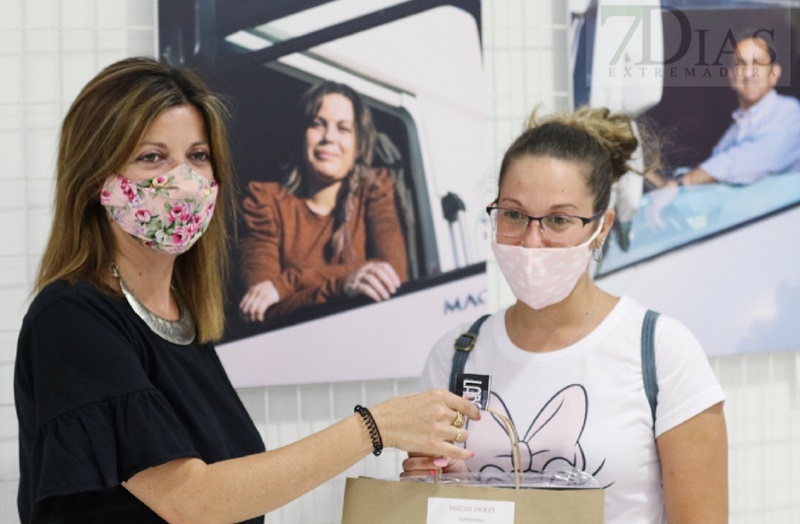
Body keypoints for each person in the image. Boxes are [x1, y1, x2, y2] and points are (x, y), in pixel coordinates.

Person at [13, 57, 480, 524]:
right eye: (152, 157)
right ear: (97, 179)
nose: (184, 181)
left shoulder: (183, 320)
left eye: (197, 156)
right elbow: (193, 500)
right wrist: (373, 429)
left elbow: (234, 490)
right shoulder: (71, 320)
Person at [402, 106, 729, 523]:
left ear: (602, 226)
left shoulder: (661, 351)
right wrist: (432, 491)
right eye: (514, 214)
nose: (532, 241)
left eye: (558, 220)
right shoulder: (455, 356)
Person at [238, 81, 408, 323]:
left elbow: (392, 272)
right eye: (317, 124)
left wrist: (286, 284)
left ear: (359, 143)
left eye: (343, 129)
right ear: (301, 135)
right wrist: (342, 286)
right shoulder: (264, 201)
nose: (329, 137)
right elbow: (259, 309)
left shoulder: (375, 189)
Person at [652, 34, 800, 188]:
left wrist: (682, 182)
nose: (749, 74)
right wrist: (665, 181)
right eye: (741, 65)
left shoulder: (790, 114)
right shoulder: (734, 130)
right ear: (731, 77)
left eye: (757, 64)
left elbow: (745, 163)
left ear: (774, 74)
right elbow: (710, 176)